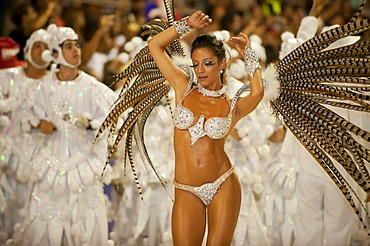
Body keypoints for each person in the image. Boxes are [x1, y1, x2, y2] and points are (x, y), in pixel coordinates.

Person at [148, 11, 264, 245]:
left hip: (223, 184)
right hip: (185, 187)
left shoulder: (232, 105)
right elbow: (154, 45)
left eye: (208, 63)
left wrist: (249, 55)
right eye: (196, 64)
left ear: (222, 64)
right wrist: (186, 25)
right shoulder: (183, 87)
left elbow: (257, 92)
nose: (200, 70)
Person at [8, 24, 117, 246]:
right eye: (69, 46)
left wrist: (90, 124)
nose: (76, 50)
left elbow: (113, 120)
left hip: (82, 166)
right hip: (50, 166)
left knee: (86, 218)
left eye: (77, 45)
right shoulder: (39, 88)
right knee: (44, 220)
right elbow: (20, 117)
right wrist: (39, 124)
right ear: (55, 54)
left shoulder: (94, 88)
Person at [0, 30, 51, 240]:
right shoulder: (7, 77)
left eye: (46, 47)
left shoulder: (54, 84)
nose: (42, 51)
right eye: (37, 46)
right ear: (28, 49)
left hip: (41, 161)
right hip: (9, 160)